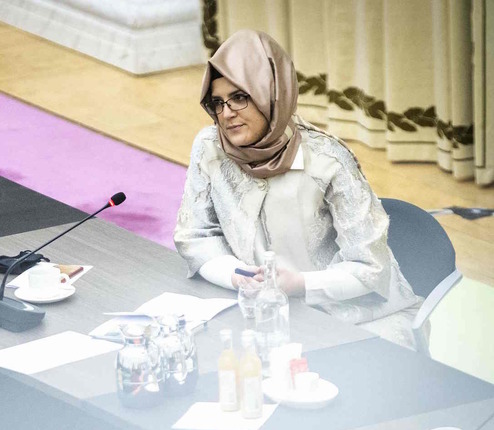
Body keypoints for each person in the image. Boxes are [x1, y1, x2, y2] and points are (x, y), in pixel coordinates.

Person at [174, 30, 423, 350]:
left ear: (271, 93)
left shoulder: (327, 160)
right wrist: (237, 275)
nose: (226, 113)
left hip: (363, 323)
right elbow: (195, 236)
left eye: (239, 97)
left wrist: (300, 284)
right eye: (217, 102)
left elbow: (371, 268)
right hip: (266, 315)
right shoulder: (210, 148)